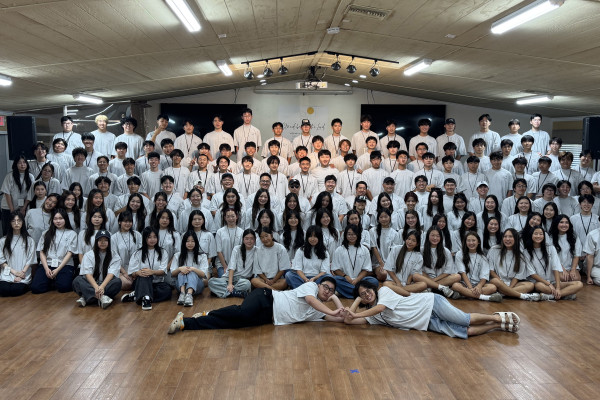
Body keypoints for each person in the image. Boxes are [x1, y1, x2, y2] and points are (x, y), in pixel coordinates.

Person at [343, 279, 522, 337]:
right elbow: (349, 321)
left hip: (430, 303)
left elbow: (380, 308)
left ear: (373, 289)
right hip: (425, 323)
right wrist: (356, 301)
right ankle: (497, 325)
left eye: (368, 291)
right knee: (464, 332)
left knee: (463, 319)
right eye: (363, 295)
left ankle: (496, 317)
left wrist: (356, 311)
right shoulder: (372, 316)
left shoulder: (383, 292)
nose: (367, 295)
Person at [168, 276, 345, 333]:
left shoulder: (318, 312)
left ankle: (186, 322)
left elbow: (341, 319)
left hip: (269, 317)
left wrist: (335, 301)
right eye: (325, 287)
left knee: (232, 324)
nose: (327, 291)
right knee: (242, 313)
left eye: (331, 291)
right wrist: (333, 310)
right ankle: (208, 313)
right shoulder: (311, 287)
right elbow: (311, 301)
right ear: (319, 285)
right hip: (266, 297)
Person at [121, 226, 172, 310]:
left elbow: (163, 271)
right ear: (144, 238)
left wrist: (152, 272)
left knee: (168, 291)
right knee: (144, 274)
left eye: (155, 237)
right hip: (141, 282)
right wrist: (138, 273)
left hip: (157, 283)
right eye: (149, 237)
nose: (152, 240)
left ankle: (138, 295)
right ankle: (146, 300)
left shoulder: (163, 252)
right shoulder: (137, 253)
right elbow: (132, 273)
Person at [31, 209, 78, 294]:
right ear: (52, 220)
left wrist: (57, 270)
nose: (58, 221)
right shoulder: (46, 233)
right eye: (55, 219)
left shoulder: (72, 234)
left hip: (64, 265)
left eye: (60, 218)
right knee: (36, 288)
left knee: (64, 287)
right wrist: (46, 269)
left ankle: (54, 279)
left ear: (65, 219)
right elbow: (42, 252)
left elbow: (69, 253)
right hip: (47, 264)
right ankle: (52, 281)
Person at [72, 230, 122, 308]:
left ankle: (86, 297)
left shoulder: (114, 255)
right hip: (91, 283)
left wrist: (102, 287)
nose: (103, 242)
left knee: (117, 282)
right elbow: (88, 274)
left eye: (105, 240)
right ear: (96, 242)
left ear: (109, 242)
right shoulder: (88, 255)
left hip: (105, 284)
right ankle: (102, 298)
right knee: (77, 280)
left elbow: (111, 274)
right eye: (100, 240)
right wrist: (96, 287)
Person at [452, 231, 501, 302]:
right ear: (465, 242)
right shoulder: (459, 254)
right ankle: (485, 297)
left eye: (473, 240)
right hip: (464, 284)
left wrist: (479, 286)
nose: (471, 243)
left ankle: (464, 294)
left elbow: (484, 276)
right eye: (468, 241)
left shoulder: (483, 257)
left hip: (478, 284)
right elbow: (462, 272)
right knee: (455, 285)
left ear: (478, 242)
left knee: (492, 287)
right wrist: (470, 287)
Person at [331, 224, 378, 298]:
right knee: (335, 280)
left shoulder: (364, 250)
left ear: (358, 235)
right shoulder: (339, 250)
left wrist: (357, 279)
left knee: (374, 281)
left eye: (353, 234)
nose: (351, 236)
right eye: (349, 234)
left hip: (360, 280)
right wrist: (346, 276)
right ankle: (361, 293)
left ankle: (350, 292)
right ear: (345, 235)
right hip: (345, 280)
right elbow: (336, 269)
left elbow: (366, 269)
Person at [208, 229, 256, 298]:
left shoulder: (256, 250)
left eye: (251, 239)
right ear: (243, 239)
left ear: (255, 240)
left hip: (242, 280)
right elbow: (232, 267)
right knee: (211, 282)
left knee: (247, 284)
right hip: (229, 278)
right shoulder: (237, 249)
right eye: (246, 239)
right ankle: (235, 292)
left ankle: (223, 292)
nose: (249, 241)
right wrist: (230, 284)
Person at [0, 211, 36, 296]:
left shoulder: (29, 240)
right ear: (10, 223)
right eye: (13, 221)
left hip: (23, 273)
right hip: (8, 272)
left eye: (19, 220)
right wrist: (14, 272)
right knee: (4, 290)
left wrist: (21, 273)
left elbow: (30, 259)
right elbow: (1, 260)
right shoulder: (3, 240)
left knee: (16, 290)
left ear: (23, 222)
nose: (16, 223)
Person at [171, 231, 210, 307]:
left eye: (192, 241)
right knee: (181, 271)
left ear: (196, 242)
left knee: (191, 272)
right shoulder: (177, 255)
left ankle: (189, 295)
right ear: (184, 242)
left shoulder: (202, 256)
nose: (190, 243)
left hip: (197, 285)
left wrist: (193, 269)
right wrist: (180, 269)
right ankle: (182, 294)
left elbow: (203, 274)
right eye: (188, 241)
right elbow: (172, 273)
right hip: (181, 286)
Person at [2, 155, 34, 233]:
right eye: (19, 163)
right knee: (8, 230)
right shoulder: (10, 176)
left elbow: (30, 194)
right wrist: (12, 210)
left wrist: (24, 208)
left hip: (22, 208)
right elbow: (7, 193)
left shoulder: (30, 176)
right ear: (15, 164)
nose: (22, 165)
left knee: (21, 229)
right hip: (8, 207)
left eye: (24, 162)